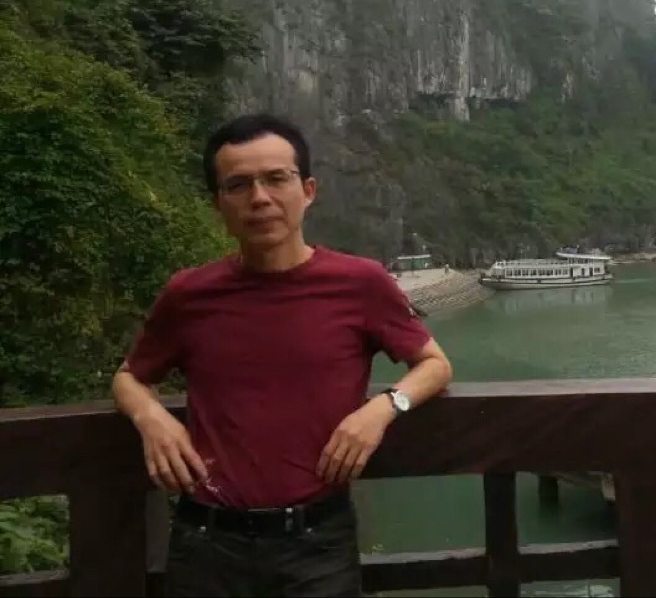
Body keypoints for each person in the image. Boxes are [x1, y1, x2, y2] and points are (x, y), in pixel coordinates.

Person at [111, 113, 453, 596]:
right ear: (218, 204)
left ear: (307, 190)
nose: (260, 198)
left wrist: (381, 409)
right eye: (239, 185)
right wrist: (150, 417)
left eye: (277, 178)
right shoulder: (189, 294)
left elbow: (434, 364)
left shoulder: (360, 283)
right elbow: (129, 376)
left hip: (317, 542)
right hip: (208, 541)